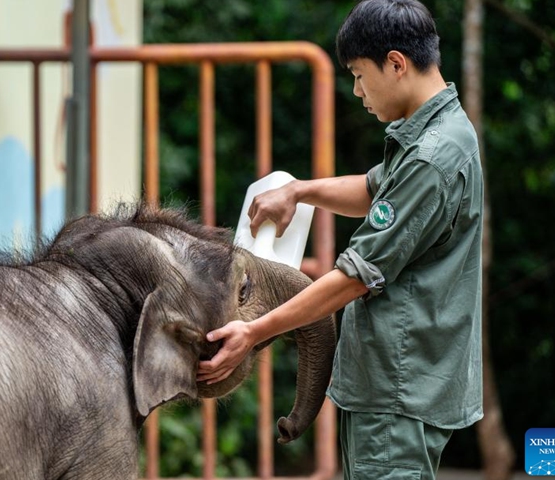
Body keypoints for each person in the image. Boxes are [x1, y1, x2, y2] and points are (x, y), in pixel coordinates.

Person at [197, 0, 484, 477]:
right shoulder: (437, 132)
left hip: (398, 388)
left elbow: (355, 277)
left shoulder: (432, 157)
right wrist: (299, 190)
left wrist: (253, 331)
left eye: (357, 74)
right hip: (394, 383)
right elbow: (375, 190)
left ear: (395, 63)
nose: (356, 90)